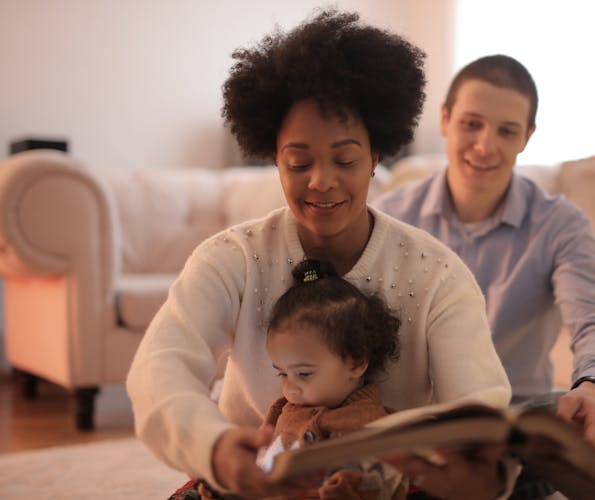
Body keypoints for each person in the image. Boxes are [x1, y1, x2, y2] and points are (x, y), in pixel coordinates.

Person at [127, 10, 511, 500]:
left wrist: (473, 471)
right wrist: (218, 448)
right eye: (298, 162)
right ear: (274, 159)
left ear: (376, 157)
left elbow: (478, 402)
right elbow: (160, 365)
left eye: (346, 160)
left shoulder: (436, 274)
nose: (321, 181)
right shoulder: (232, 258)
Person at [373, 55, 595, 498]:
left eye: (506, 130)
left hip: (509, 428)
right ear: (445, 119)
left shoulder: (561, 225)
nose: (485, 145)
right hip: (414, 426)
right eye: (471, 123)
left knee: (553, 427)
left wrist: (594, 391)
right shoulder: (390, 218)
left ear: (527, 138)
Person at [172, 259, 408, 499]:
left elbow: (369, 480)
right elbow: (262, 453)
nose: (290, 388)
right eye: (282, 373)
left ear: (356, 362)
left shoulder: (366, 421)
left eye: (304, 374)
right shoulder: (284, 409)